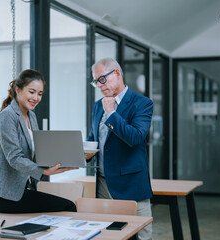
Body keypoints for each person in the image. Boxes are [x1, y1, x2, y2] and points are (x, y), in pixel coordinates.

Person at [0, 69, 77, 213]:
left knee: (65, 206)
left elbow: (36, 152)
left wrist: (62, 159)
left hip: (24, 189)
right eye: (32, 92)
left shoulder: (31, 116)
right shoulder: (7, 116)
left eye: (40, 94)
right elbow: (14, 158)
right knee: (68, 206)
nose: (36, 98)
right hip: (5, 194)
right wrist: (44, 171)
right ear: (18, 90)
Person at [85, 58, 153, 240]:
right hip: (102, 185)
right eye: (96, 82)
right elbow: (94, 137)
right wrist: (83, 151)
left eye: (102, 79)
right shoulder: (97, 106)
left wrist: (112, 114)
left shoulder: (142, 103)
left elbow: (136, 137)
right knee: (106, 236)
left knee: (142, 237)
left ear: (116, 73)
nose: (99, 86)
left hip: (130, 185)